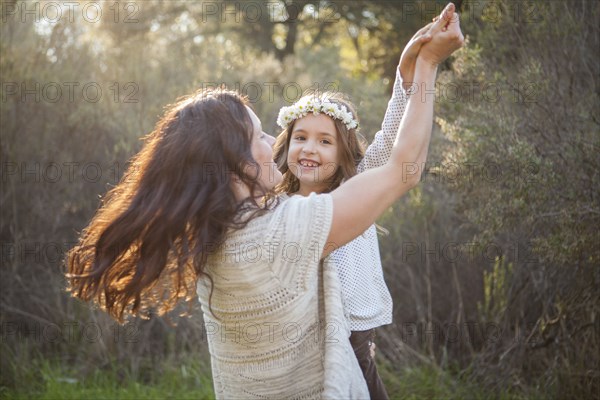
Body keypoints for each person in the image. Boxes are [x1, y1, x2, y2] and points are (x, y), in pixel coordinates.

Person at [66, 4, 463, 399]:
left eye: (323, 141)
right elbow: (403, 169)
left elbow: (380, 157)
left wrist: (405, 79)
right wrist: (428, 64)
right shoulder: (281, 229)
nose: (274, 144)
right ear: (235, 162)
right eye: (260, 136)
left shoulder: (217, 235)